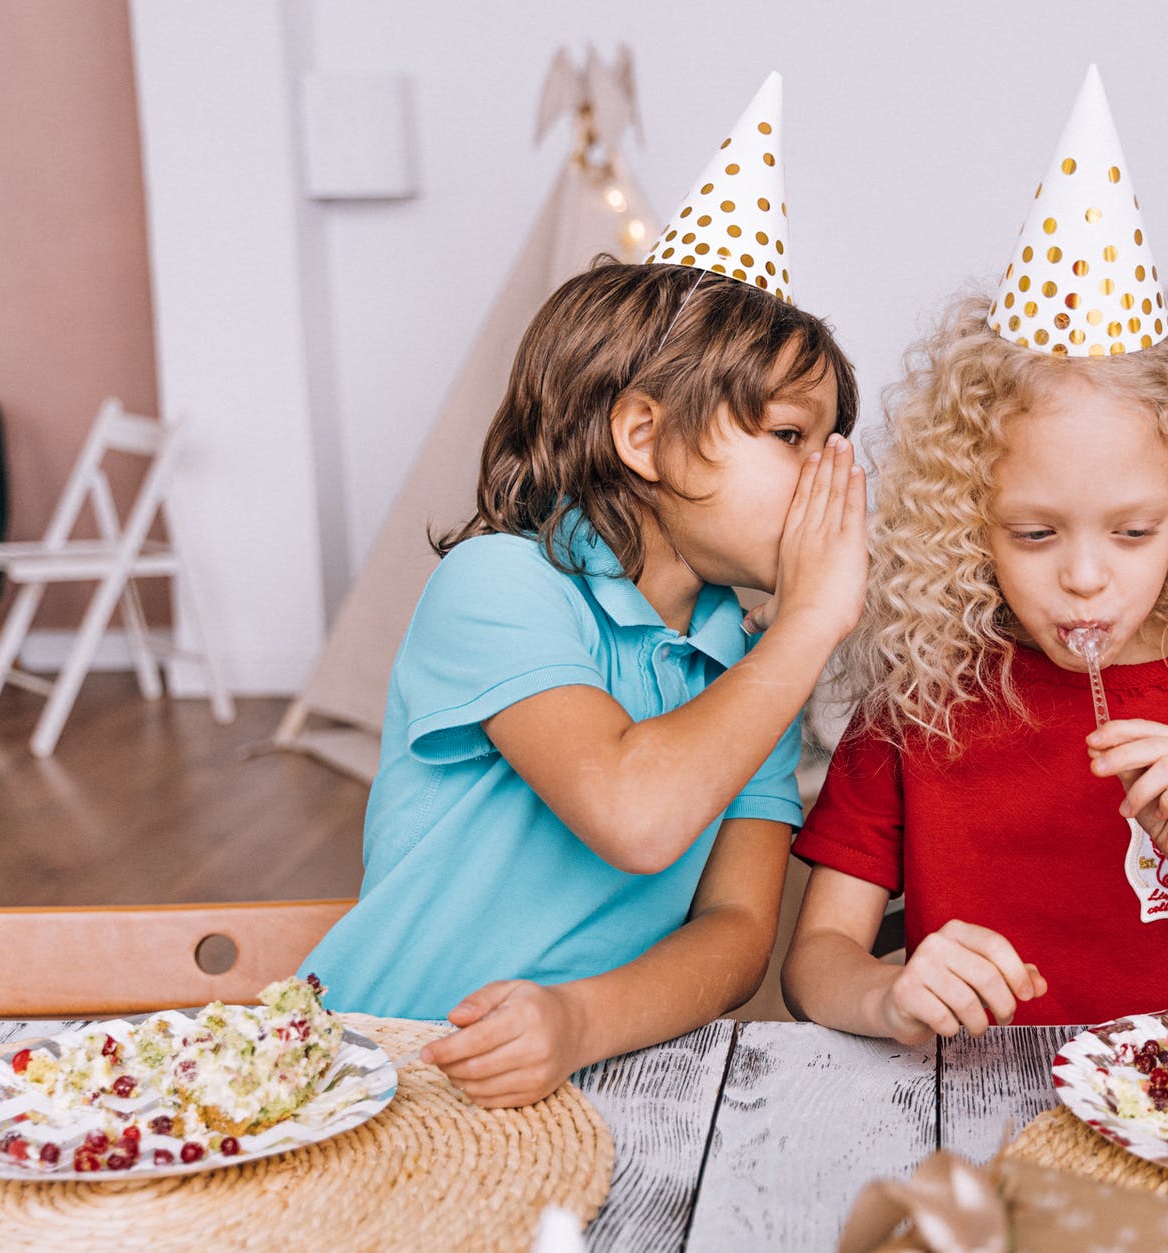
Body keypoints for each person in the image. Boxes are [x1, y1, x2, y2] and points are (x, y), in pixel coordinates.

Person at [304, 76, 868, 1106]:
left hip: (586, 1078)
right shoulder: (498, 584)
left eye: (831, 442)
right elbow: (634, 810)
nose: (824, 474)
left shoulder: (742, 664)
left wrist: (578, 1019)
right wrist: (813, 621)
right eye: (790, 436)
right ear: (643, 434)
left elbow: (737, 933)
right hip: (379, 1067)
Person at [781, 66, 1168, 1043]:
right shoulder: (919, 698)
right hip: (971, 1118)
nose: (1085, 575)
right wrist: (885, 991)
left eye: (1132, 532)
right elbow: (814, 965)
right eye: (1034, 532)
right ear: (966, 521)